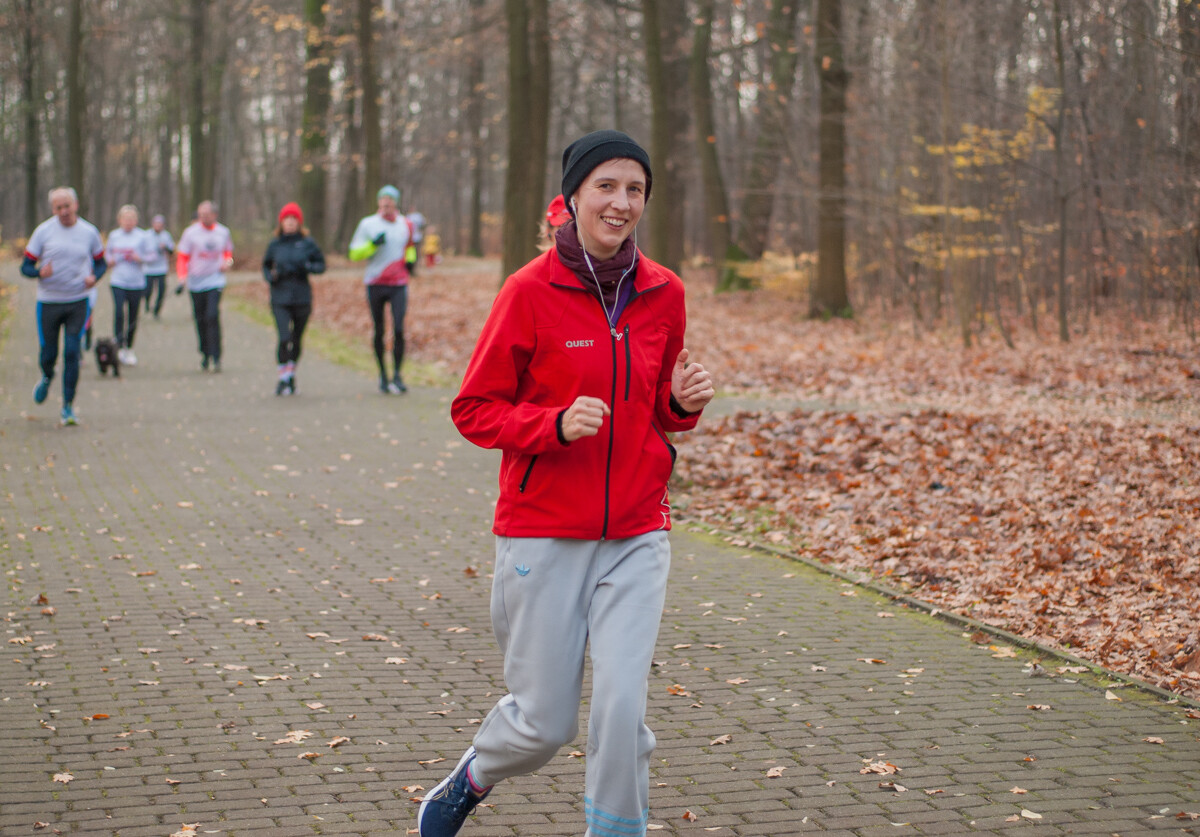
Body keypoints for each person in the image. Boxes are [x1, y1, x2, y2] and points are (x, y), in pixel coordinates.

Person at [420, 130, 715, 837]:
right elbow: (473, 409)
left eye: (635, 189)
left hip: (639, 529)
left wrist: (684, 402)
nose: (621, 202)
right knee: (543, 722)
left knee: (620, 707)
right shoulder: (528, 291)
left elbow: (655, 408)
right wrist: (551, 425)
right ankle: (474, 774)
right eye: (606, 186)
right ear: (575, 195)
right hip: (544, 527)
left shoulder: (665, 291)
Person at [20, 186, 107, 426]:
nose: (64, 211)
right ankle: (47, 376)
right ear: (53, 209)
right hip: (49, 302)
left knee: (71, 352)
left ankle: (67, 406)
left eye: (67, 206)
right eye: (58, 207)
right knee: (49, 353)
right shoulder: (43, 232)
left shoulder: (89, 232)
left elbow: (101, 264)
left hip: (78, 301)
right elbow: (25, 267)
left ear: (76, 205)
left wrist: (94, 278)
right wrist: (39, 272)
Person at [349, 185, 414, 394]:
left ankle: (397, 374)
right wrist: (372, 245)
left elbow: (409, 247)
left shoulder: (406, 224)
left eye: (390, 200)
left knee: (398, 329)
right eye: (383, 199)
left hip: (398, 284)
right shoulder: (368, 224)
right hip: (375, 283)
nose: (386, 203)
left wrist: (411, 262)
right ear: (378, 202)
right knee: (379, 330)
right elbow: (354, 254)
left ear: (396, 202)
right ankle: (383, 375)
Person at [261, 202, 325, 395]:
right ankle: (282, 376)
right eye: (286, 220)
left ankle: (290, 374)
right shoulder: (275, 244)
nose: (290, 223)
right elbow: (265, 265)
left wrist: (307, 266)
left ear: (299, 223)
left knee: (296, 338)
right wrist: (270, 277)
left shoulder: (307, 243)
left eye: (293, 220)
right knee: (284, 337)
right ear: (281, 223)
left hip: (301, 296)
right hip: (280, 296)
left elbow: (321, 265)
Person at [176, 200, 234, 372]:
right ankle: (205, 353)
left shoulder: (223, 232)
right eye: (200, 215)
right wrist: (182, 277)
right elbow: (183, 257)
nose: (203, 218)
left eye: (206, 215)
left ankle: (217, 356)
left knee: (212, 315)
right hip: (195, 282)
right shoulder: (190, 233)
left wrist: (228, 263)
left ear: (214, 215)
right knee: (200, 318)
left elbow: (228, 253)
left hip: (215, 280)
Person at [105, 204, 154, 366]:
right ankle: (118, 347)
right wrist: (110, 261)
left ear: (136, 220)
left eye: (131, 219)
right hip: (118, 280)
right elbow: (107, 254)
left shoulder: (142, 236)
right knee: (119, 313)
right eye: (125, 219)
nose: (128, 222)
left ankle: (129, 348)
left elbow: (152, 256)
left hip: (136, 282)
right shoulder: (114, 236)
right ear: (119, 220)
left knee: (133, 316)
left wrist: (140, 258)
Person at [143, 214, 175, 319]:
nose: (158, 226)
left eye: (160, 224)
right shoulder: (146, 235)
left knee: (161, 291)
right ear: (153, 224)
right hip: (148, 268)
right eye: (156, 224)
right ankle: (147, 303)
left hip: (161, 268)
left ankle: (157, 311)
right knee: (148, 290)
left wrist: (165, 247)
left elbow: (172, 251)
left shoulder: (166, 236)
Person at [405, 205, 426, 275]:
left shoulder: (418, 216)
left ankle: (414, 269)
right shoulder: (407, 216)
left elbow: (423, 224)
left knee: (416, 254)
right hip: (409, 238)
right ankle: (409, 269)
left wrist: (420, 228)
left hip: (417, 238)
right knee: (409, 254)